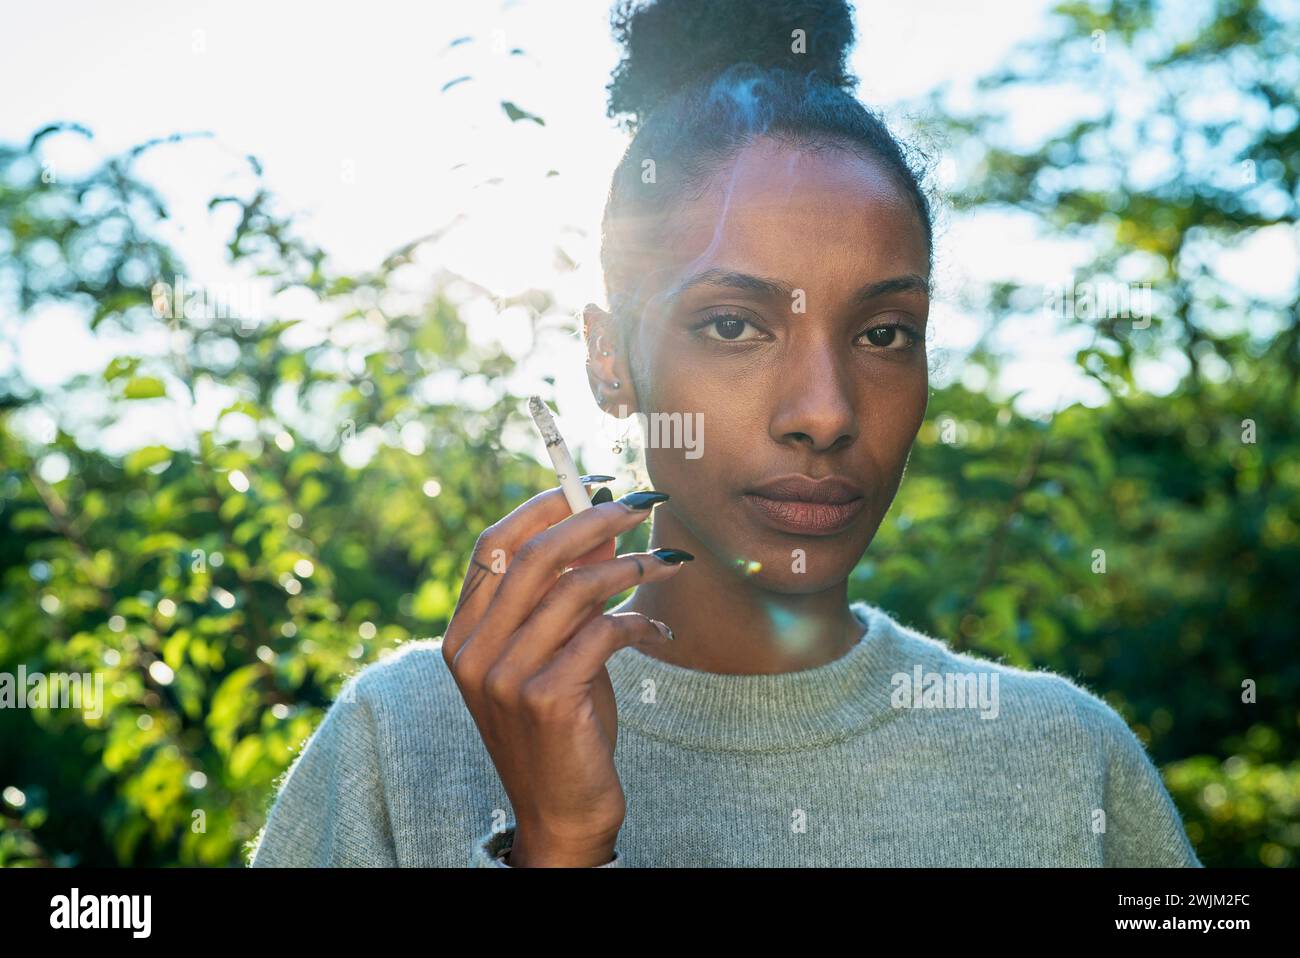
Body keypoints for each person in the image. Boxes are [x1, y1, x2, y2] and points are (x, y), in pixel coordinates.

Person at [248, 0, 1201, 868]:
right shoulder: (404, 741)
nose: (825, 414)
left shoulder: (1065, 762)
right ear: (610, 361)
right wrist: (558, 845)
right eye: (734, 326)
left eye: (882, 334)